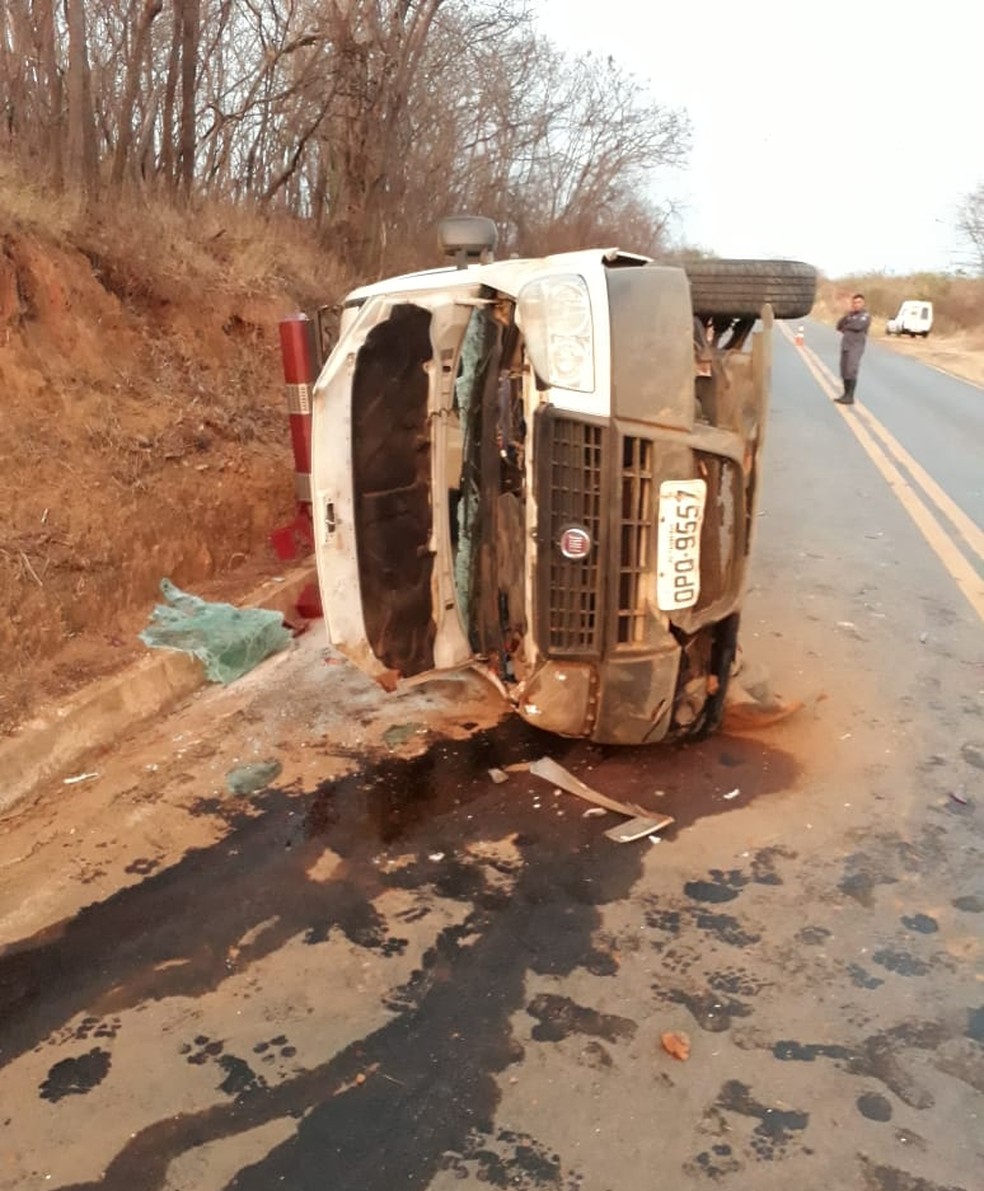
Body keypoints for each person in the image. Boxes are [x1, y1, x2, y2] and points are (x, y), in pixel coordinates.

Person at [834, 293, 871, 404]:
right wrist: (847, 318)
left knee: (851, 370)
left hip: (856, 347)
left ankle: (850, 396)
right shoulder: (850, 315)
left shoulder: (865, 316)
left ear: (863, 303)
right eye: (854, 302)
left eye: (859, 302)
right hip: (846, 345)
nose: (856, 305)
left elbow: (858, 326)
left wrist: (847, 325)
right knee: (844, 371)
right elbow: (839, 325)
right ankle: (845, 395)